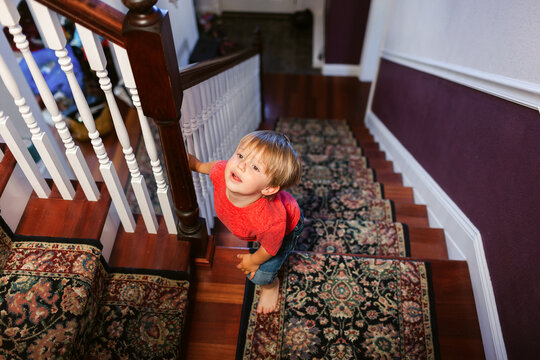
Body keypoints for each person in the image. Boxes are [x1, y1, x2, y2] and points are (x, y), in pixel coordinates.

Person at [188, 130, 303, 314]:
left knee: (259, 274)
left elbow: (270, 249)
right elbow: (216, 166)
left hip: (287, 229)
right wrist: (197, 165)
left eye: (255, 167)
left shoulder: (269, 221)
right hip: (258, 226)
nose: (241, 165)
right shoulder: (223, 172)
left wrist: (253, 260)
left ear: (268, 188)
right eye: (241, 155)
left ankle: (270, 286)